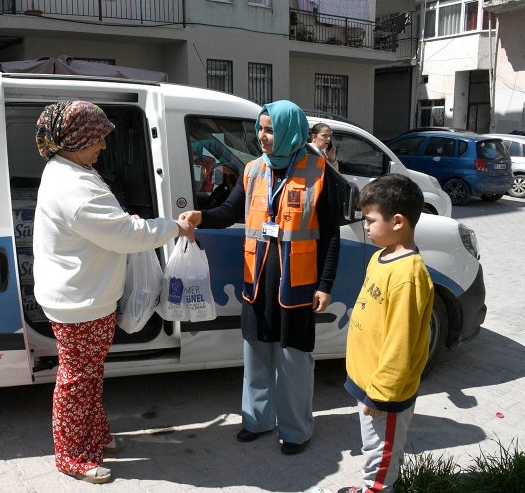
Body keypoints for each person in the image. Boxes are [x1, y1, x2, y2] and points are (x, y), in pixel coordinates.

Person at [32, 100, 195, 484]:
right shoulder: (74, 186)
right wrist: (173, 227)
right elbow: (123, 235)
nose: (103, 147)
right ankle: (72, 455)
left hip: (84, 296)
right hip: (79, 301)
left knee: (88, 373)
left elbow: (111, 225)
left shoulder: (69, 169)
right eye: (97, 139)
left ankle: (92, 436)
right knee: (77, 378)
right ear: (75, 139)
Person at [179, 100, 342, 455]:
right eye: (260, 129)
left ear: (289, 131)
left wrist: (325, 285)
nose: (262, 137)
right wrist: (200, 217)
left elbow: (331, 234)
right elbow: (227, 212)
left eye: (269, 130)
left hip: (297, 285)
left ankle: (297, 430)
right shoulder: (253, 170)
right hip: (257, 282)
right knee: (255, 356)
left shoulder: (320, 172)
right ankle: (257, 420)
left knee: (294, 361)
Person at [339, 174, 433, 493]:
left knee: (381, 460)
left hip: (385, 393)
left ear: (397, 221)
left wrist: (382, 393)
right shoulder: (383, 255)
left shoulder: (409, 275)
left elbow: (401, 344)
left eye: (369, 219)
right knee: (373, 449)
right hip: (368, 381)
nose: (365, 226)